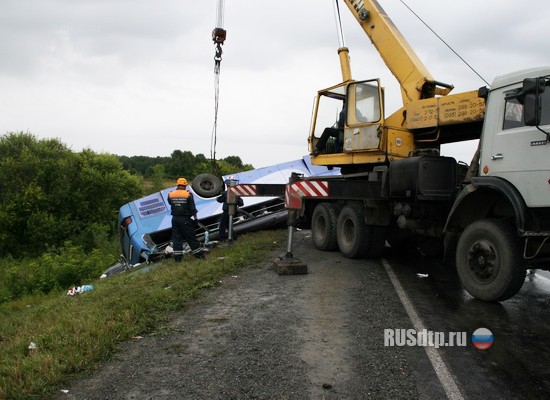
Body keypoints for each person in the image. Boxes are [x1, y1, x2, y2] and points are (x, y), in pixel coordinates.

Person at [168, 177, 206, 261]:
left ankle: (178, 259)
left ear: (177, 185)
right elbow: (192, 209)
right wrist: (196, 219)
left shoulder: (170, 194)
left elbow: (170, 203)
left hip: (174, 219)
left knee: (176, 238)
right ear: (185, 185)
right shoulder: (188, 194)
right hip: (185, 219)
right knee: (191, 237)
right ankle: (199, 256)